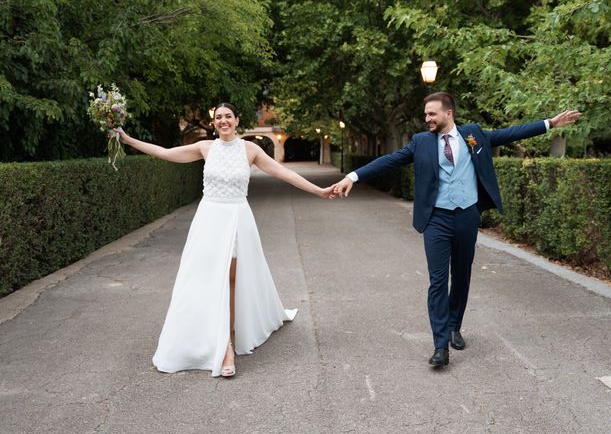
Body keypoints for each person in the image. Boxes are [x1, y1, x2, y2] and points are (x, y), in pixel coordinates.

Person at [332, 92, 581, 367]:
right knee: (438, 281)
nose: (427, 119)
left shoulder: (473, 135)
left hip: (466, 216)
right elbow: (389, 160)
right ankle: (440, 346)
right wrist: (352, 177)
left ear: (448, 113)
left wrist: (550, 124)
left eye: (432, 114)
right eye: (425, 114)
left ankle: (454, 326)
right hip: (436, 219)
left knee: (461, 275)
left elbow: (510, 133)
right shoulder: (421, 142)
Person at [113, 103, 335, 377]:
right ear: (214, 122)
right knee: (204, 278)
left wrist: (319, 190)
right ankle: (207, 336)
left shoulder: (251, 150)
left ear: (237, 120)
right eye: (218, 117)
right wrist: (127, 139)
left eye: (228, 116)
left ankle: (227, 343)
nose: (223, 121)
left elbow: (283, 173)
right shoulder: (205, 147)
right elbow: (165, 153)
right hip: (209, 220)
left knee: (230, 279)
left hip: (238, 219)